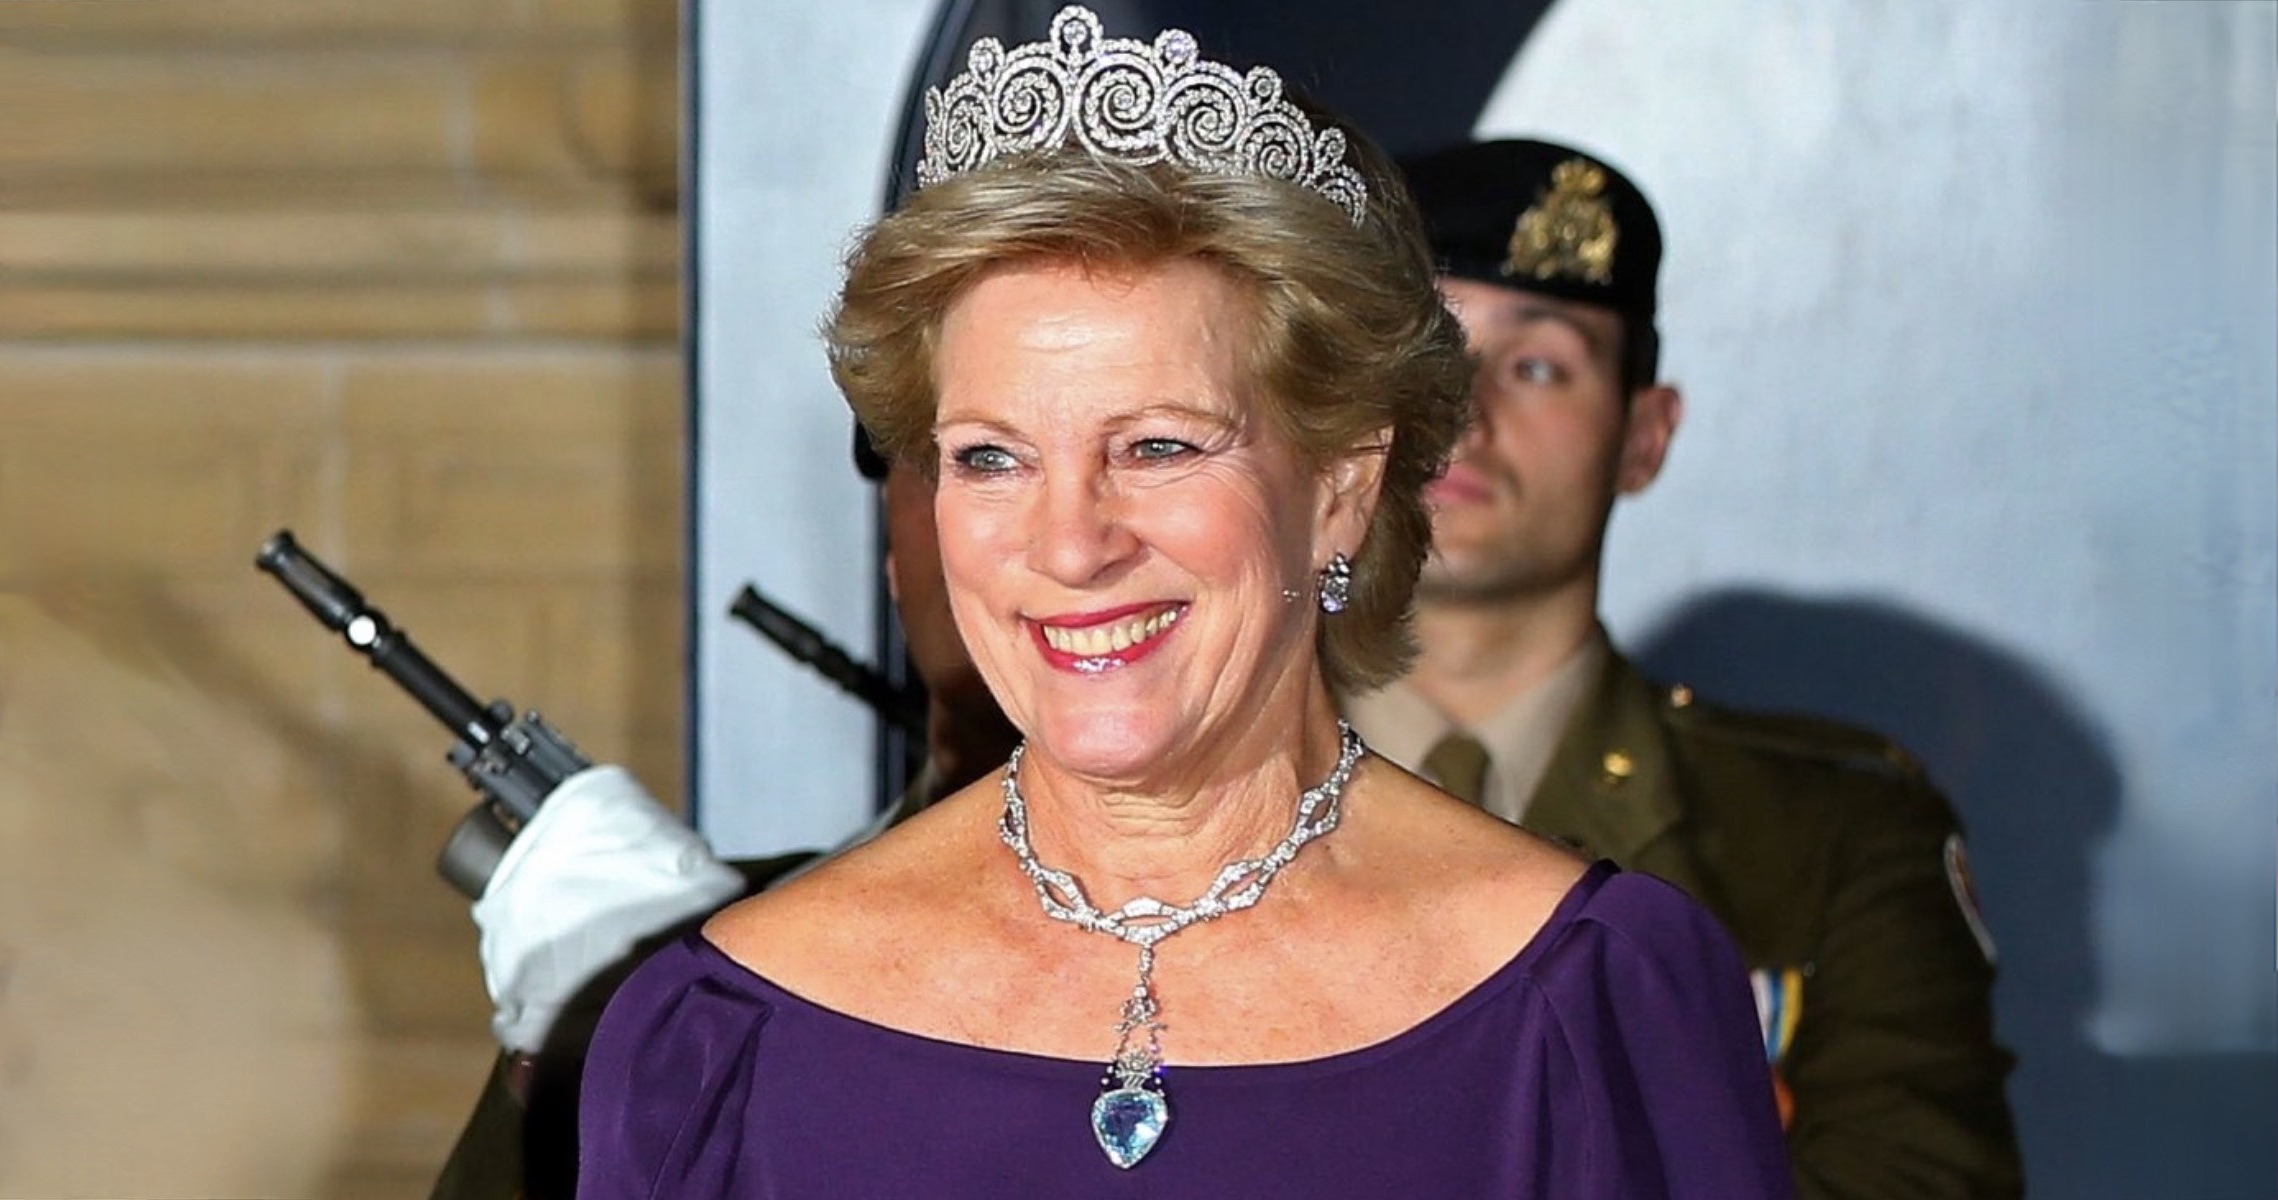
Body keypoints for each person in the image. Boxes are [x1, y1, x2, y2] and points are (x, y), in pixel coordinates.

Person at [576, 8, 1792, 1197]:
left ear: (1340, 487)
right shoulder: (724, 1036)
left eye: (1157, 446)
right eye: (991, 457)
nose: (1070, 545)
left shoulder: (1590, 1004)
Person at [1346, 136, 2024, 1198]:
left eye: (1538, 366)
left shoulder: (1832, 838)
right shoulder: (1156, 798)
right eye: (1427, 357)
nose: (1466, 416)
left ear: (1644, 437)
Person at [426, 428, 1019, 1200]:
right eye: (971, 459)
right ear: (892, 545)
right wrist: (568, 1063)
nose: (1034, 532)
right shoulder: (729, 938)